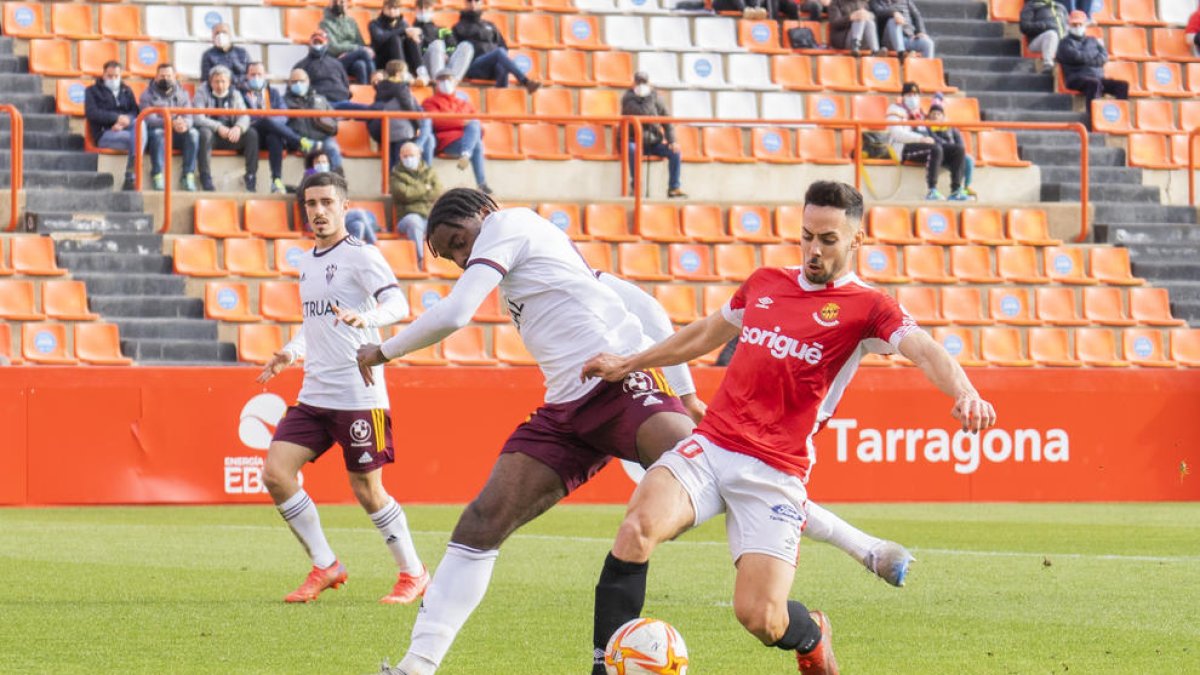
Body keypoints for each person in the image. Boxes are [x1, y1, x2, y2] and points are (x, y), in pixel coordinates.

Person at [357, 190, 914, 675]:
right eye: (451, 254)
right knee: (481, 522)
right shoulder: (541, 260)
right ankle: (414, 667)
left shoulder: (510, 224)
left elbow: (455, 315)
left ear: (484, 212)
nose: (462, 256)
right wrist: (690, 392)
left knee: (716, 464)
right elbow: (644, 304)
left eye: (460, 240)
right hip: (566, 410)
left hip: (625, 390)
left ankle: (861, 547)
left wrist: (381, 351)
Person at [585, 180, 997, 675]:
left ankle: (813, 634)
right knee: (635, 529)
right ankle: (604, 666)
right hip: (712, 446)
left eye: (827, 239)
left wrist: (966, 392)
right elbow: (701, 335)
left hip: (775, 472)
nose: (813, 250)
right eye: (806, 236)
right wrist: (630, 362)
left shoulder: (870, 308)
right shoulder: (764, 283)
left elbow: (926, 351)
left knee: (761, 617)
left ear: (855, 241)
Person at [256, 171, 428, 606]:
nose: (318, 211)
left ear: (344, 207)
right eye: (311, 204)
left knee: (367, 490)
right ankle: (325, 564)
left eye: (326, 203)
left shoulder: (361, 256)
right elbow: (314, 321)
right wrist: (292, 352)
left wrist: (364, 319)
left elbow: (398, 304)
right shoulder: (308, 262)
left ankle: (413, 573)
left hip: (358, 395)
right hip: (315, 393)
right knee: (276, 474)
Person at [240, 61, 322, 195]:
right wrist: (265, 119)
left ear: (265, 75)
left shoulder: (273, 93)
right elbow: (244, 117)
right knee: (265, 120)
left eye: (259, 74)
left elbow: (284, 115)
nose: (256, 78)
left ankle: (276, 181)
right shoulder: (241, 94)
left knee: (274, 136)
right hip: (251, 134)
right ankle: (301, 141)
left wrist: (270, 121)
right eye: (252, 74)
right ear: (247, 76)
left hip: (270, 133)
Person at [887, 82, 967, 201]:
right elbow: (897, 133)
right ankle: (932, 190)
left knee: (958, 150)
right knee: (935, 148)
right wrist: (920, 138)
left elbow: (933, 130)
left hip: (924, 145)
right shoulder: (895, 109)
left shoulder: (921, 114)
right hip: (904, 147)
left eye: (915, 94)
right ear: (903, 96)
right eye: (909, 94)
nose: (912, 97)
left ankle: (956, 190)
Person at [422, 69, 491, 194]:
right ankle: (481, 183)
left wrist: (464, 124)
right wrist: (462, 122)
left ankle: (466, 154)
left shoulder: (464, 103)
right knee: (476, 143)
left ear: (455, 82)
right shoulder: (430, 102)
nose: (446, 82)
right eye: (442, 79)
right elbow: (437, 122)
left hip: (465, 139)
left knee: (475, 131)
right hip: (446, 141)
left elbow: (478, 127)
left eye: (449, 79)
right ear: (437, 83)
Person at [193, 65, 260, 192]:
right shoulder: (202, 92)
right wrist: (218, 127)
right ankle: (205, 176)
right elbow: (198, 118)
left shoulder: (235, 94)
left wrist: (238, 128)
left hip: (231, 135)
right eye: (216, 81)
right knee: (204, 133)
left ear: (229, 82)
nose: (220, 85)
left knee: (251, 134)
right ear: (210, 81)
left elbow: (244, 116)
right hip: (212, 136)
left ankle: (251, 176)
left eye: (223, 81)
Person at [621, 72, 686, 199]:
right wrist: (651, 96)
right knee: (632, 150)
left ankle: (674, 187)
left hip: (653, 142)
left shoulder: (656, 97)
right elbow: (643, 112)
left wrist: (672, 141)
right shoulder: (628, 98)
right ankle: (636, 185)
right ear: (634, 83)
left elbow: (667, 121)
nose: (641, 85)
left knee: (675, 152)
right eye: (639, 82)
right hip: (634, 140)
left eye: (644, 82)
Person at [453, 0, 541, 92]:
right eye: (470, 1)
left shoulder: (490, 26)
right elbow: (455, 51)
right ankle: (525, 81)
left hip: (492, 67)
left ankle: (502, 98)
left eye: (476, 1)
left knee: (502, 65)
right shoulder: (459, 27)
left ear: (481, 3)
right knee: (499, 53)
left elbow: (503, 46)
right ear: (465, 4)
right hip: (473, 67)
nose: (473, 4)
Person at [1057, 10, 1128, 121]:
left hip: (1097, 77)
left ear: (1085, 25)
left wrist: (1088, 58)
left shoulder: (1093, 40)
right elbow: (1076, 57)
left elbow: (1104, 56)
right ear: (1069, 25)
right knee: (1094, 84)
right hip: (1076, 77)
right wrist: (1093, 55)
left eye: (1080, 24)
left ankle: (1120, 118)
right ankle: (1093, 118)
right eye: (1074, 24)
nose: (1077, 27)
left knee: (1122, 85)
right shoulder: (1065, 43)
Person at [84, 60, 144, 191]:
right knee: (138, 139)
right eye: (109, 76)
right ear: (103, 75)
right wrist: (116, 118)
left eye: (116, 76)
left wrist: (126, 120)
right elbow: (92, 113)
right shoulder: (92, 91)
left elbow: (135, 111)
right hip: (104, 133)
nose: (113, 79)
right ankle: (133, 170)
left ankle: (131, 173)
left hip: (126, 129)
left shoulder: (127, 91)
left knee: (140, 126)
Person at [139, 62, 200, 192]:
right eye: (162, 76)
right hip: (156, 134)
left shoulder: (183, 94)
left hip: (178, 133)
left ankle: (188, 175)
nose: (165, 79)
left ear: (174, 77)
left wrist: (184, 125)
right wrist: (170, 122)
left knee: (193, 133)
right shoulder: (147, 95)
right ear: (156, 77)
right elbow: (149, 119)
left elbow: (189, 117)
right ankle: (157, 174)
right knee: (158, 133)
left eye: (168, 76)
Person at [368, 60, 428, 169]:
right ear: (398, 73)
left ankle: (389, 184)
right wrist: (418, 126)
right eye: (405, 72)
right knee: (400, 164)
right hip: (402, 130)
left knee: (391, 162)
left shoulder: (381, 88)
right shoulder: (401, 88)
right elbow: (410, 108)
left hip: (387, 129)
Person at [389, 141, 441, 264]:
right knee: (414, 221)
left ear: (419, 155)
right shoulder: (396, 174)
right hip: (406, 218)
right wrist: (425, 188)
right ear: (400, 157)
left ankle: (443, 260)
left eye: (411, 155)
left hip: (429, 217)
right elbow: (404, 195)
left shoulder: (429, 171)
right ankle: (420, 259)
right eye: (405, 156)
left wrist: (414, 190)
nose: (408, 159)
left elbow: (437, 191)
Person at [284, 68, 344, 171]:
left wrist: (322, 121)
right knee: (315, 158)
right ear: (289, 83)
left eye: (301, 81)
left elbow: (334, 119)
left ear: (308, 81)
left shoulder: (320, 99)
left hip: (324, 138)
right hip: (302, 141)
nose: (298, 84)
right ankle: (313, 183)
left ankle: (337, 182)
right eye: (294, 82)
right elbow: (283, 125)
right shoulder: (284, 101)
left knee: (333, 149)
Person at [411, 0, 474, 83]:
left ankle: (453, 82)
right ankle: (439, 81)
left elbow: (452, 46)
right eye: (420, 8)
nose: (423, 11)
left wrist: (447, 54)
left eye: (426, 8)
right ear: (415, 10)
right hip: (424, 65)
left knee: (466, 46)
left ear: (432, 10)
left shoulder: (443, 30)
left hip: (445, 64)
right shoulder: (411, 31)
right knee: (437, 44)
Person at [923, 103, 975, 199]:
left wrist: (959, 151)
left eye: (938, 114)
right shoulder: (927, 128)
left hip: (953, 153)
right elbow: (936, 141)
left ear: (943, 116)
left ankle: (965, 187)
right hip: (939, 153)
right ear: (929, 116)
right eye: (933, 114)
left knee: (968, 159)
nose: (935, 116)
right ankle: (939, 191)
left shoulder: (951, 128)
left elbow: (960, 143)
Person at [370, 0, 428, 83]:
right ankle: (403, 73)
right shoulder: (375, 24)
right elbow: (380, 38)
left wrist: (418, 35)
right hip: (383, 59)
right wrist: (404, 31)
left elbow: (415, 39)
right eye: (389, 8)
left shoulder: (403, 23)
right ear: (383, 9)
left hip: (403, 58)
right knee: (395, 39)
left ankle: (421, 72)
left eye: (395, 8)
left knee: (410, 39)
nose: (392, 11)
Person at [321, 0, 377, 85]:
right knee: (364, 52)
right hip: (337, 59)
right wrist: (355, 49)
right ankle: (374, 83)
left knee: (361, 65)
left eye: (343, 2)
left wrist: (352, 51)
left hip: (354, 57)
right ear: (331, 4)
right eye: (338, 2)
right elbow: (333, 48)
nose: (341, 5)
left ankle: (365, 94)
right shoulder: (325, 24)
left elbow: (360, 42)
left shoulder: (351, 22)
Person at [295, 30, 352, 106]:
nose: (317, 45)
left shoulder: (337, 64)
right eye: (315, 42)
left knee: (367, 111)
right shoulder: (301, 65)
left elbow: (346, 84)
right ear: (310, 44)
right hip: (319, 104)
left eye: (320, 42)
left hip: (342, 102)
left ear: (326, 44)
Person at [1020, 0, 1068, 71]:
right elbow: (1024, 27)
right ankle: (1048, 65)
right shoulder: (1031, 6)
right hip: (1037, 41)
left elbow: (1067, 25)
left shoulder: (1060, 6)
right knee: (1051, 34)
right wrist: (1045, 25)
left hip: (1060, 41)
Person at [200, 23, 251, 88]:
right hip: (219, 92)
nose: (221, 35)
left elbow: (250, 75)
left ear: (230, 35)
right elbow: (206, 80)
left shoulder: (243, 53)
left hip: (241, 90)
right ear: (212, 37)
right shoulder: (208, 55)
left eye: (224, 32)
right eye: (217, 33)